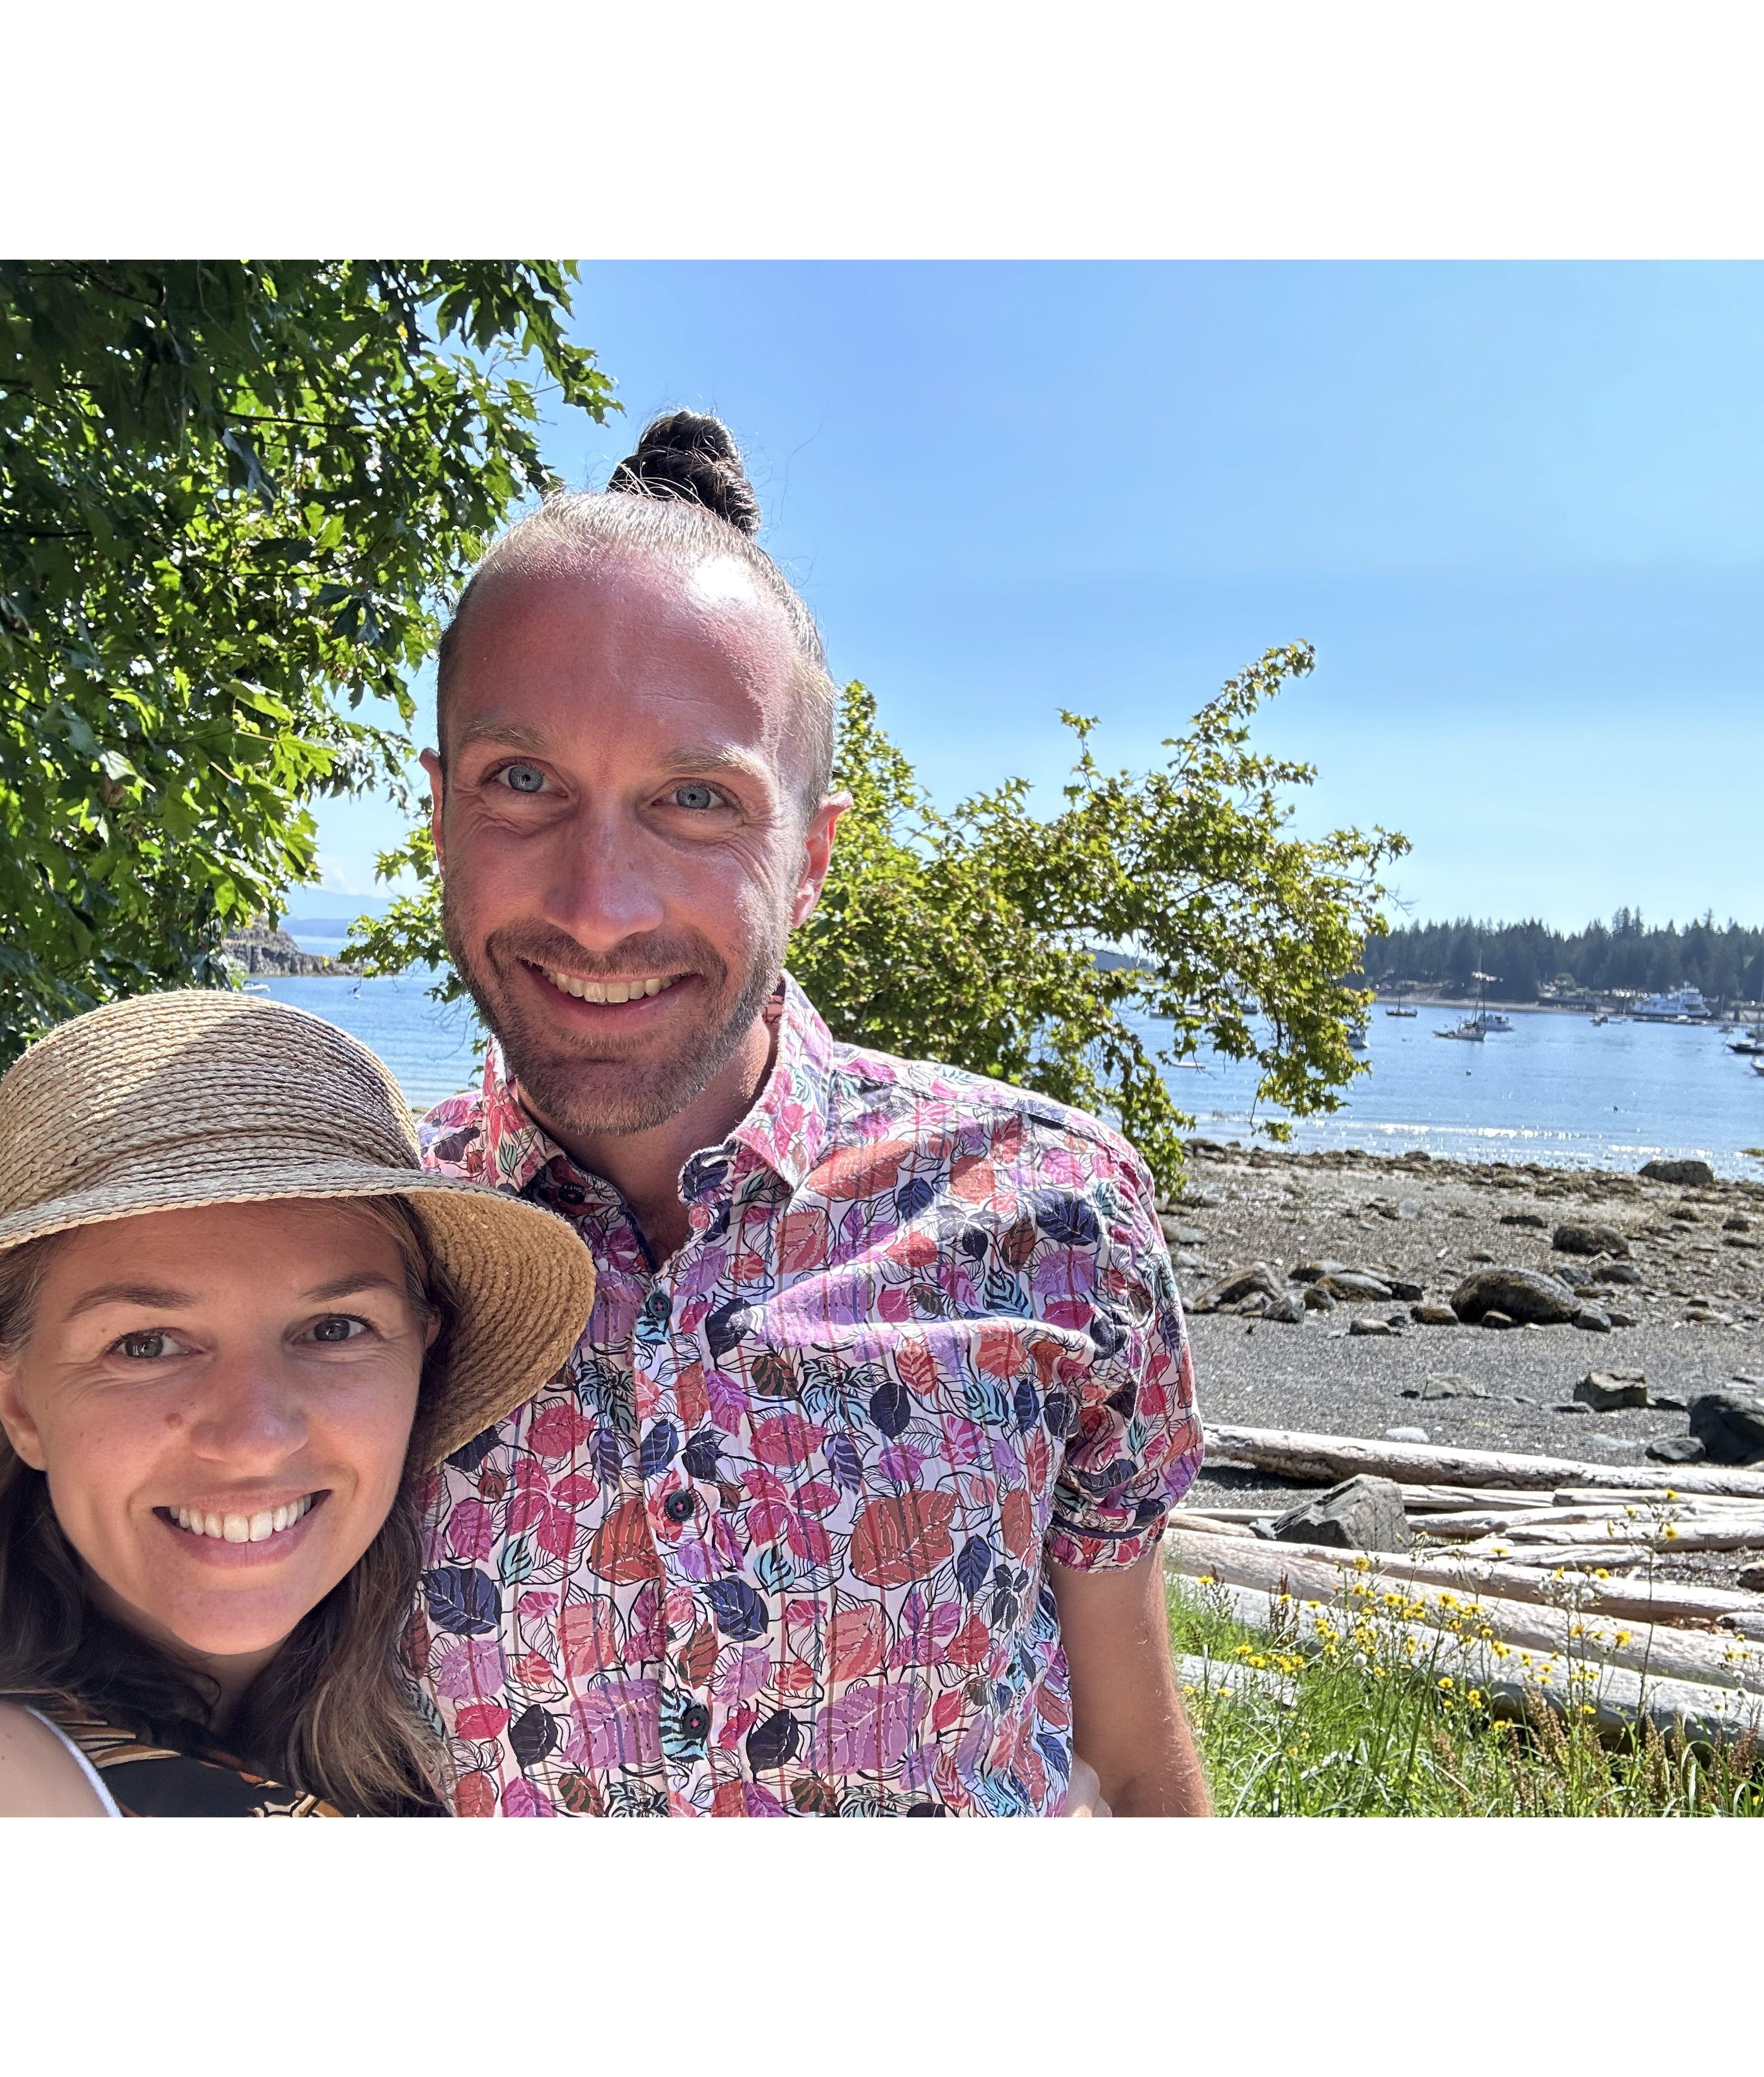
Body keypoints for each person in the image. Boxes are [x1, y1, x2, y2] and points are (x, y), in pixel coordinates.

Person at [412, 410, 1211, 1816]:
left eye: (697, 802)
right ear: (439, 815)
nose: (599, 907)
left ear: (812, 860)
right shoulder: (342, 1249)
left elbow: (1133, 1767)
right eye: (524, 783)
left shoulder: (1052, 1219)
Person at [0, 991, 595, 1815]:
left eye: (334, 1329)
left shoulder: (451, 1741)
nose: (255, 1437)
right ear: (14, 1397)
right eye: (145, 1344)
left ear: (420, 1358)